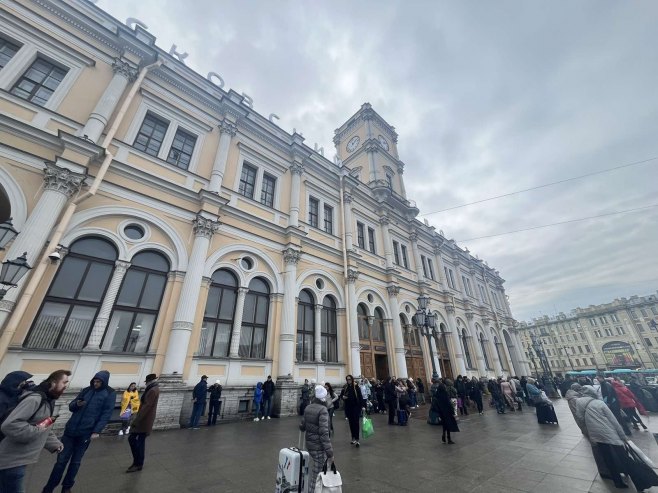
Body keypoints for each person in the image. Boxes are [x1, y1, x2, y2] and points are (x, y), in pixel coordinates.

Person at [42, 370, 115, 493]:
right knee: (61, 461)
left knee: (75, 462)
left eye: (99, 382)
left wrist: (96, 430)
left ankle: (67, 487)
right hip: (70, 431)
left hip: (86, 433)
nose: (96, 384)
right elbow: (71, 406)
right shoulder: (87, 390)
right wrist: (77, 404)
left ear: (104, 382)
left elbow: (106, 413)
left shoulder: (109, 393)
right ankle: (49, 487)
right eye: (95, 381)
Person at [0, 370, 68, 493]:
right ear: (53, 383)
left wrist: (54, 443)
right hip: (12, 461)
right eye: (64, 382)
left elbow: (42, 425)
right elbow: (10, 425)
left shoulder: (48, 400)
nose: (66, 385)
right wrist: (38, 430)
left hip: (19, 460)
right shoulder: (35, 399)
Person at [575, 386, 629, 488]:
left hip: (595, 434)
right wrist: (622, 435)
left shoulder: (578, 402)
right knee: (622, 455)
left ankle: (617, 480)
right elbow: (613, 421)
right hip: (610, 432)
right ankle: (629, 473)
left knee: (607, 458)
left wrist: (588, 429)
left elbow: (580, 418)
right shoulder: (599, 403)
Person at [300, 385, 334, 487]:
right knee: (318, 475)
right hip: (318, 446)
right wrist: (330, 453)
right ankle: (313, 490)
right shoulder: (323, 410)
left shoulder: (308, 407)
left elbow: (302, 427)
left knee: (317, 469)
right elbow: (324, 433)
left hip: (310, 445)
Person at [127, 373, 160, 473]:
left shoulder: (152, 390)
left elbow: (146, 407)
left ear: (149, 381)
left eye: (146, 382)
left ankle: (138, 463)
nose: (146, 384)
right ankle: (137, 462)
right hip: (145, 420)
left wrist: (136, 421)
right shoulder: (153, 389)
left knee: (135, 440)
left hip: (144, 420)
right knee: (137, 440)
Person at [339, 374, 364, 446]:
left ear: (352, 379)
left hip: (356, 407)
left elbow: (360, 396)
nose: (348, 381)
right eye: (347, 379)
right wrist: (343, 397)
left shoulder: (356, 387)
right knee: (351, 423)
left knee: (356, 423)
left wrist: (362, 406)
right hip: (348, 408)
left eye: (349, 379)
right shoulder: (345, 387)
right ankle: (353, 438)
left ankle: (357, 439)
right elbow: (341, 395)